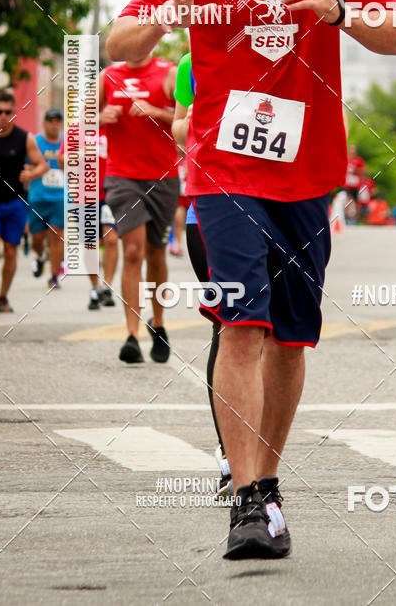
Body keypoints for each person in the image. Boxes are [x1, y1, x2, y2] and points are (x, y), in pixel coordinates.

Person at [107, 0, 396, 559]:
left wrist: (341, 11)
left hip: (309, 173)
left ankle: (267, 482)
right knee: (241, 322)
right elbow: (117, 40)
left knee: (290, 338)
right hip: (223, 168)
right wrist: (160, 22)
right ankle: (247, 500)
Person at [172, 51, 232, 497]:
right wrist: (195, 120)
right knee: (230, 329)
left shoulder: (282, 46)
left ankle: (260, 453)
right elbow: (177, 128)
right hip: (208, 210)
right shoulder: (191, 62)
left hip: (279, 210)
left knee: (275, 337)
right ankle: (231, 454)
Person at [99, 55, 179, 363]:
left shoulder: (168, 72)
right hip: (122, 177)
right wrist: (99, 116)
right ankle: (131, 335)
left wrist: (157, 111)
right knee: (132, 251)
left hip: (163, 177)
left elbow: (192, 118)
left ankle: (157, 323)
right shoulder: (108, 76)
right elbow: (82, 116)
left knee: (155, 254)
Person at [0, 90, 48, 312]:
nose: (3, 116)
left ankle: (3, 296)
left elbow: (42, 164)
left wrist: (32, 174)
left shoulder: (24, 138)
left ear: (14, 112)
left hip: (15, 203)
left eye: (8, 112)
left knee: (10, 251)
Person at [58, 125, 119, 309]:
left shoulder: (114, 126)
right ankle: (96, 287)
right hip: (84, 196)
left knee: (112, 239)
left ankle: (107, 286)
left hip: (111, 193)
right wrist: (83, 154)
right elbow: (62, 161)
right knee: (91, 245)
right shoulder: (76, 130)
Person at [27, 107, 65, 290]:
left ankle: (54, 275)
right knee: (37, 238)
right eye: (50, 120)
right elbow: (25, 167)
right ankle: (41, 256)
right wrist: (34, 171)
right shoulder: (35, 142)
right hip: (38, 197)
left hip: (60, 197)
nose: (54, 124)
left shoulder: (67, 143)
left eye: (57, 121)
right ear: (44, 123)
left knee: (57, 236)